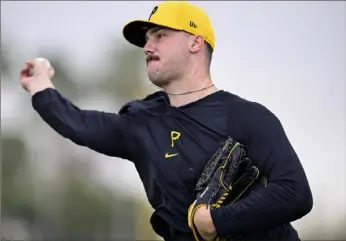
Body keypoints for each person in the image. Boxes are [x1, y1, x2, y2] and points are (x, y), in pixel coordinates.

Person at [20, 1, 313, 241]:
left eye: (160, 36)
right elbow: (78, 124)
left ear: (195, 42)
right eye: (147, 40)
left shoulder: (246, 116)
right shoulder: (141, 123)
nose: (148, 47)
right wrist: (39, 85)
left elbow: (296, 193)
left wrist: (215, 221)